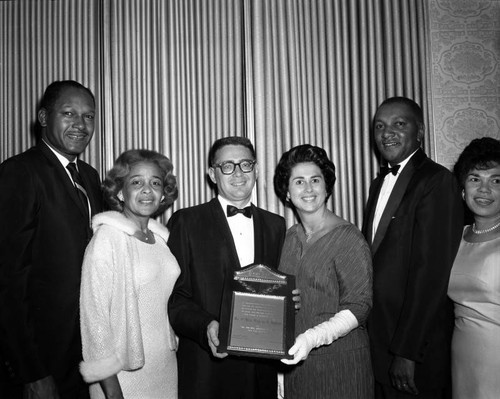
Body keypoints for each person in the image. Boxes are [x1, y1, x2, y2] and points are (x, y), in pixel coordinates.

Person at [0, 80, 103, 398]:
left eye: (88, 116)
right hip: (41, 360)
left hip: (84, 354)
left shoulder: (89, 176)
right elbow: (7, 281)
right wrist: (31, 372)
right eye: (69, 113)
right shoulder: (19, 174)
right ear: (43, 118)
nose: (80, 124)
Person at [167, 136, 286, 399]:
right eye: (227, 166)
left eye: (245, 164)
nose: (238, 173)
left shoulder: (276, 225)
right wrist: (205, 325)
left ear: (255, 169)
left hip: (260, 372)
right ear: (212, 174)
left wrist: (290, 301)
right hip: (208, 372)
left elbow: (277, 292)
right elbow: (175, 299)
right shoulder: (186, 221)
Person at [362, 96, 463, 398]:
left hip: (413, 349)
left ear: (419, 131)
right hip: (380, 338)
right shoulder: (378, 183)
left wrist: (407, 352)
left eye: (399, 124)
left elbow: (431, 273)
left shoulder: (437, 181)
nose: (387, 133)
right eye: (380, 126)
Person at [274, 144, 373, 398]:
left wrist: (311, 339)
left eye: (315, 180)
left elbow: (359, 307)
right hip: (298, 366)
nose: (308, 189)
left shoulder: (348, 237)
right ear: (287, 192)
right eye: (299, 182)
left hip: (341, 364)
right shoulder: (288, 238)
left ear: (326, 187)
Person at [79, 149, 180, 399]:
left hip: (165, 367)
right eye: (137, 182)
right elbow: (95, 319)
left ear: (164, 193)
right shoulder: (108, 238)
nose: (147, 190)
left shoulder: (161, 239)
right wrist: (112, 391)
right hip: (123, 376)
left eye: (156, 183)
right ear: (121, 192)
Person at [448, 137, 500, 399]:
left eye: (496, 180)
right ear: (462, 189)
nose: (484, 189)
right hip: (462, 356)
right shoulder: (454, 237)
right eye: (475, 178)